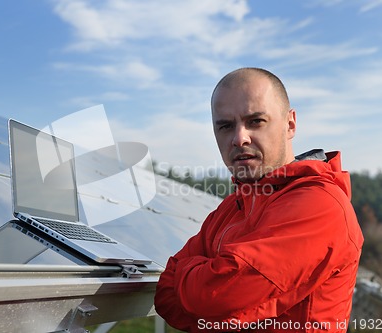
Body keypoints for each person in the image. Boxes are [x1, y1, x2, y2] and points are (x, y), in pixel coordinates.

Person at [154, 67, 364, 332]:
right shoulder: (232, 207)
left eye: (255, 121)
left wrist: (196, 276)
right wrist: (205, 281)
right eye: (226, 126)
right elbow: (166, 297)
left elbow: (211, 297)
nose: (239, 138)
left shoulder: (320, 206)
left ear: (290, 124)